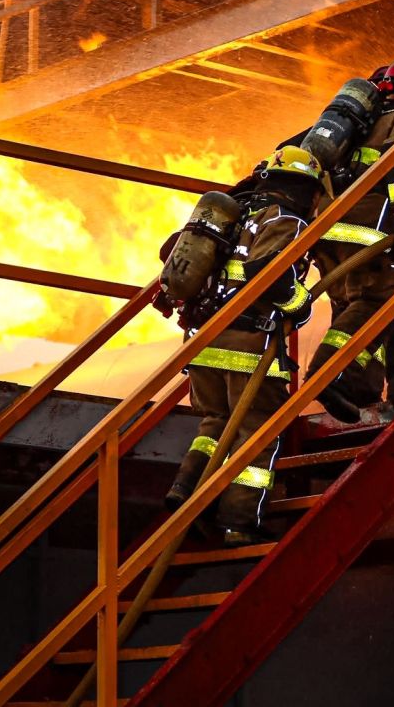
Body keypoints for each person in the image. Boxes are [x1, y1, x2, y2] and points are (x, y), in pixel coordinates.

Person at [165, 145, 325, 546]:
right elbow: (267, 275)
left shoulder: (238, 215)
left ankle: (186, 491)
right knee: (257, 435)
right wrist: (300, 305)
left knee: (214, 426)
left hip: (203, 342)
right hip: (248, 344)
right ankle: (238, 522)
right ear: (307, 188)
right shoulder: (286, 218)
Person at [305, 54, 394, 422]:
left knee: (350, 308)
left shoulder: (355, 128)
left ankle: (361, 394)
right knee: (377, 302)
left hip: (326, 230)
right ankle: (330, 374)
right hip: (371, 230)